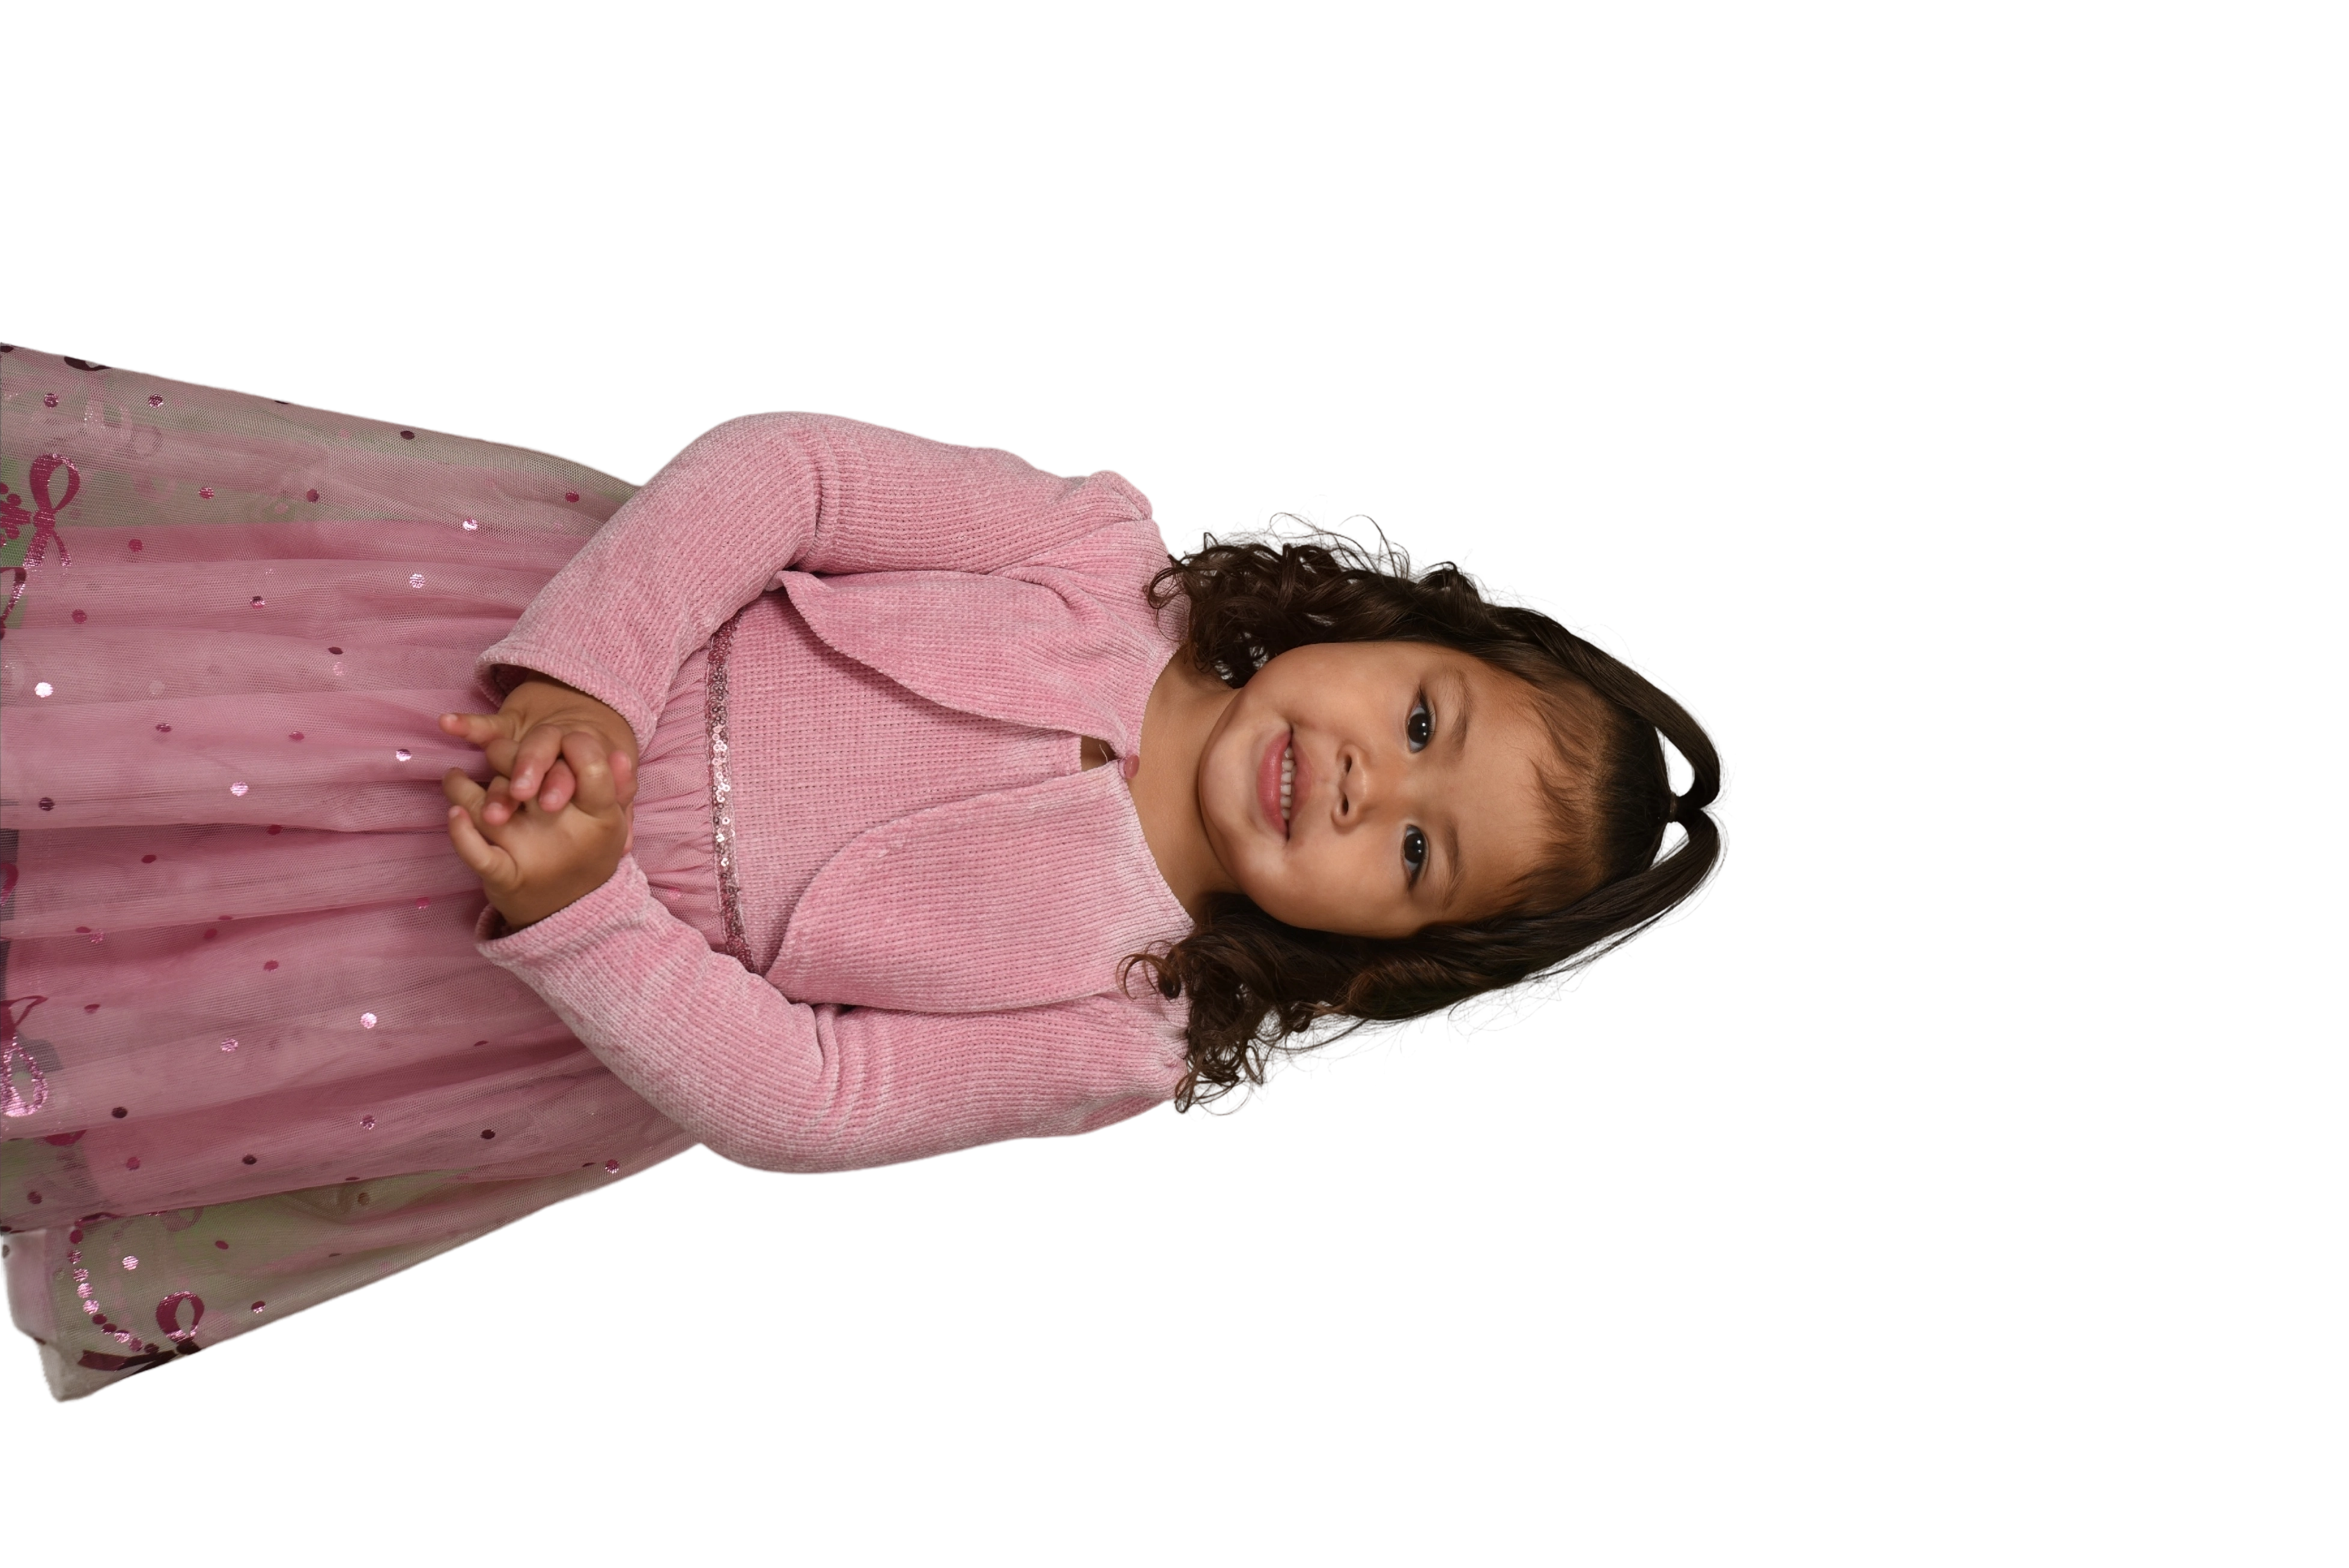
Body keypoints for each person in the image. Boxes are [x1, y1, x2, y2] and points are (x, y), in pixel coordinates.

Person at [0, 342, 1734, 1405]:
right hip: (468, 661)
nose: (1367, 781)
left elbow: (815, 1104)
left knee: (127, 972)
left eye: (1419, 852)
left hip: (481, 969)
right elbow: (793, 471)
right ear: (1393, 621)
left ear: (1382, 954)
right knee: (108, 722)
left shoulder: (1130, 1023)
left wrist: (584, 908)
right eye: (1421, 718)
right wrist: (590, 680)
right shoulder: (1098, 559)